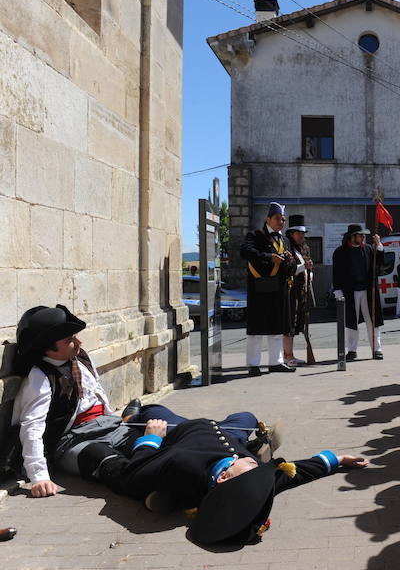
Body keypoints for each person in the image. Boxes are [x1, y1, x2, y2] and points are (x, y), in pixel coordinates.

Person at [85, 403, 367, 545]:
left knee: (153, 411)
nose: (258, 470)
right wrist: (338, 458)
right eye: (255, 467)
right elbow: (297, 473)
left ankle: (130, 419)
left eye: (252, 467)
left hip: (179, 433)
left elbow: (132, 473)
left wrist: (151, 439)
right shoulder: (253, 480)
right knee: (245, 416)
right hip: (229, 435)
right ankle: (255, 447)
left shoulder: (182, 463)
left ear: (223, 479)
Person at [9, 305, 142, 497]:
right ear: (49, 350)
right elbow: (32, 426)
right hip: (74, 441)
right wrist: (39, 476)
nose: (79, 341)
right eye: (69, 339)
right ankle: (148, 490)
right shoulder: (40, 377)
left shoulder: (81, 357)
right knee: (107, 462)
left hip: (110, 428)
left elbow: (100, 394)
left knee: (144, 446)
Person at [240, 202, 297, 376]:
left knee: (277, 328)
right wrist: (269, 257)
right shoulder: (255, 236)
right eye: (278, 219)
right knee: (257, 329)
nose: (281, 222)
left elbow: (290, 264)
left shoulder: (285, 240)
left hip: (278, 288)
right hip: (260, 287)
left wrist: (290, 261)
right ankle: (253, 364)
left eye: (283, 219)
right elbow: (245, 252)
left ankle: (276, 362)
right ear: (268, 219)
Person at [331, 224, 385, 361]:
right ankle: (352, 350)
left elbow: (379, 264)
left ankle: (376, 349)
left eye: (363, 235)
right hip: (350, 291)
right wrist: (337, 289)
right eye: (360, 235)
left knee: (373, 321)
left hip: (368, 291)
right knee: (351, 322)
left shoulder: (368, 249)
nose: (363, 237)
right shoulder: (340, 252)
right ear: (352, 237)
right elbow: (336, 272)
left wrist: (379, 246)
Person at [283, 214, 312, 367]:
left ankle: (290, 354)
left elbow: (305, 268)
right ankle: (287, 355)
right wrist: (303, 268)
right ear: (291, 234)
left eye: (302, 233)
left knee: (296, 323)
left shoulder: (303, 249)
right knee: (289, 324)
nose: (301, 236)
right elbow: (289, 270)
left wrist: (309, 273)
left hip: (301, 291)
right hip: (290, 291)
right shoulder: (288, 248)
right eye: (298, 233)